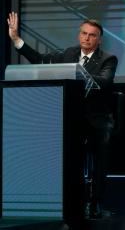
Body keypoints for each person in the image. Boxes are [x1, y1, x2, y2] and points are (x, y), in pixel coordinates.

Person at [7, 12, 118, 219]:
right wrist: (17, 40)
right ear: (79, 35)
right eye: (84, 33)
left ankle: (95, 205)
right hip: (72, 119)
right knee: (68, 160)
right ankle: (70, 204)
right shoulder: (68, 54)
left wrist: (77, 72)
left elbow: (104, 81)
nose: (87, 38)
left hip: (97, 121)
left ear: (99, 39)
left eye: (92, 35)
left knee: (99, 161)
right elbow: (40, 60)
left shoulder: (108, 58)